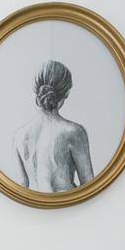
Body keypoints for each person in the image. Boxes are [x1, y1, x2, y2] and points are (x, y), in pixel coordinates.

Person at [13, 59, 94, 192]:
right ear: (67, 93)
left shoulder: (19, 137)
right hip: (68, 208)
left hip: (34, 209)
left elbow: (20, 189)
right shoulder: (75, 132)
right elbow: (90, 187)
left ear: (37, 92)